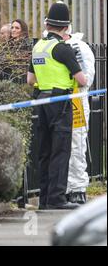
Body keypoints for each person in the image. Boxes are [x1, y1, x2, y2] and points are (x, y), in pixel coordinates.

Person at [27, 2, 87, 210]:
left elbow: (29, 79)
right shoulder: (62, 48)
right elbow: (82, 80)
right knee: (60, 151)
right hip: (60, 104)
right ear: (65, 27)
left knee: (44, 151)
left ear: (48, 24)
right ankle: (57, 198)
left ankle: (44, 199)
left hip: (42, 102)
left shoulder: (38, 47)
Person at [63, 26, 95, 204]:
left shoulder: (79, 47)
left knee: (76, 143)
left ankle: (77, 188)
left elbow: (86, 78)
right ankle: (63, 187)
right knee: (58, 146)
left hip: (76, 99)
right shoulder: (49, 45)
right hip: (56, 99)